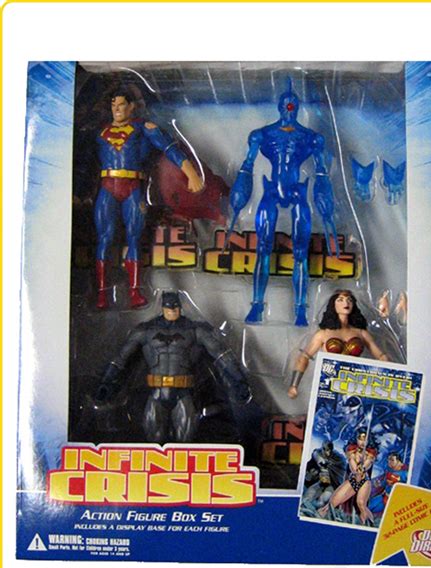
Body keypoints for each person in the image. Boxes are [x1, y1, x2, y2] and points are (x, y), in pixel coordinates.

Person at [227, 79, 337, 327]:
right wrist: (238, 203)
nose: (289, 109)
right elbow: (246, 167)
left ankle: (300, 310)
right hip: (272, 191)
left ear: (297, 107)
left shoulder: (311, 138)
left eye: (293, 105)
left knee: (301, 252)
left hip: (297, 191)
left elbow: (321, 172)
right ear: (279, 106)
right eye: (286, 105)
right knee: (263, 248)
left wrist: (326, 210)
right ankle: (257, 305)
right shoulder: (262, 134)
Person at [94, 88, 204, 309]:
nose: (117, 109)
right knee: (104, 238)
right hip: (107, 187)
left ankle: (135, 292)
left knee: (134, 238)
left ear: (132, 106)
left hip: (133, 188)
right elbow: (84, 160)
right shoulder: (101, 132)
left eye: (121, 105)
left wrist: (191, 173)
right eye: (113, 105)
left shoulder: (143, 128)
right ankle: (101, 294)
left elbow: (169, 147)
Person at [95, 292, 251, 443]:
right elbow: (121, 358)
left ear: (180, 307)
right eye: (169, 307)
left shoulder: (194, 330)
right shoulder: (146, 330)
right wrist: (106, 383)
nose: (172, 310)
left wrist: (238, 381)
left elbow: (222, 355)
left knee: (185, 442)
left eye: (175, 307)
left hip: (183, 393)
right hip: (156, 392)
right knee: (154, 442)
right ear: (163, 307)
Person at [288, 290, 388, 399]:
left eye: (349, 300)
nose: (346, 303)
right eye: (340, 300)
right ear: (333, 305)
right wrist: (294, 385)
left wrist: (391, 378)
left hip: (355, 383)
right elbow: (303, 357)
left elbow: (381, 356)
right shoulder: (323, 334)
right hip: (330, 383)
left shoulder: (361, 333)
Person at [318, 428, 378, 525]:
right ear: (356, 439)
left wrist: (363, 467)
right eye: (360, 439)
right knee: (332, 503)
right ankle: (318, 517)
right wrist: (357, 469)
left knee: (361, 504)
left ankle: (370, 524)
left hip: (364, 481)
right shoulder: (352, 450)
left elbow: (368, 463)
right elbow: (352, 465)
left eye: (365, 439)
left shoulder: (370, 452)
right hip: (352, 480)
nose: (363, 442)